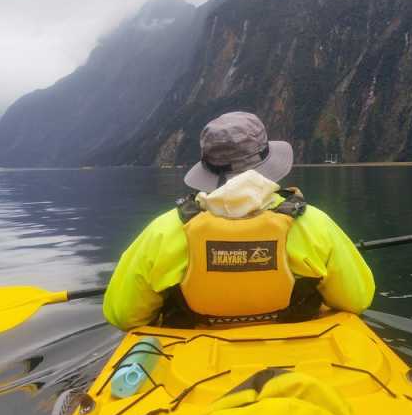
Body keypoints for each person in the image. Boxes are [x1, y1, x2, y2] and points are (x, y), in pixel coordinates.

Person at [103, 111, 374, 329]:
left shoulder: (164, 231)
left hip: (196, 363)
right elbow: (358, 299)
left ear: (207, 170)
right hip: (295, 354)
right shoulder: (313, 224)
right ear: (267, 166)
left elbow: (122, 315)